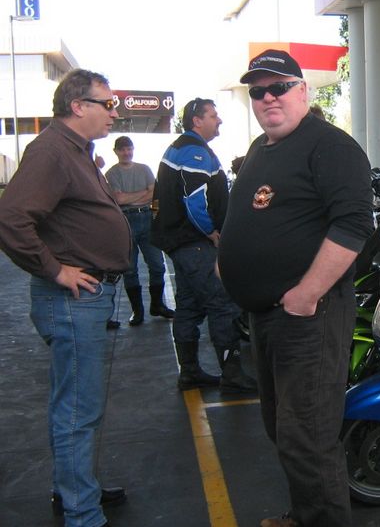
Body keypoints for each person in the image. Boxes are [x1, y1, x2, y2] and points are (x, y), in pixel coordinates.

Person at [217, 49, 373, 527]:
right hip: (266, 315)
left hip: (310, 316)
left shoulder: (330, 146)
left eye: (279, 87)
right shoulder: (261, 149)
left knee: (308, 435)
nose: (268, 98)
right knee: (282, 428)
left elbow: (353, 225)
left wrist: (307, 293)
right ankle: (305, 515)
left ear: (303, 91)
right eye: (258, 91)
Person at [0, 69, 130, 527]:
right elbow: (11, 220)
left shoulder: (74, 151)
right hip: (75, 301)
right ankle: (82, 512)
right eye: (107, 104)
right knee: (77, 409)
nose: (113, 114)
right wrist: (55, 270)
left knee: (77, 405)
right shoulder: (53, 151)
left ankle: (76, 490)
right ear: (78, 106)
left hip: (87, 299)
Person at [150, 98, 256, 393]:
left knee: (188, 305)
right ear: (197, 120)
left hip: (181, 244)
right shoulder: (194, 152)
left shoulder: (181, 148)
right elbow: (194, 199)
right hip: (194, 244)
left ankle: (190, 372)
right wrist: (210, 231)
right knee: (222, 303)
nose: (219, 120)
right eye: (213, 115)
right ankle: (232, 374)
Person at [105, 135, 174, 325]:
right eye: (122, 149)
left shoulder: (144, 169)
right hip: (126, 221)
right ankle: (137, 311)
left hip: (146, 218)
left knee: (157, 265)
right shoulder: (112, 173)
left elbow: (154, 195)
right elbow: (119, 200)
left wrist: (132, 198)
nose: (126, 153)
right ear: (116, 152)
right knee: (129, 269)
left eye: (129, 149)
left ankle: (157, 304)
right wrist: (144, 193)